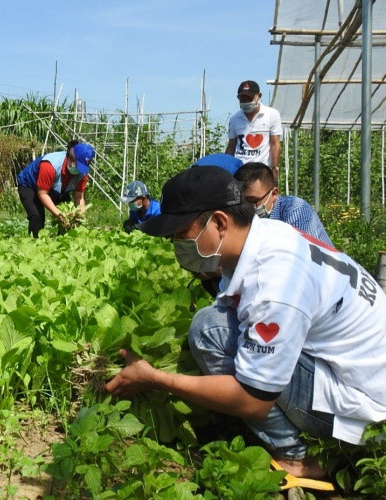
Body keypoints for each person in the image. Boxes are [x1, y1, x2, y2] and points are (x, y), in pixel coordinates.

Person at [105, 166, 386, 479]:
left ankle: (298, 458)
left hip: (366, 412)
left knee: (210, 332)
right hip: (362, 374)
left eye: (181, 236)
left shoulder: (273, 284)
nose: (177, 247)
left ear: (220, 222)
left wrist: (155, 377)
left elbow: (253, 402)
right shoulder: (270, 234)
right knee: (215, 322)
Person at [234, 162, 333, 247]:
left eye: (253, 201)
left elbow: (300, 252)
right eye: (242, 202)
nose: (248, 207)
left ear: (274, 194)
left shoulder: (295, 209)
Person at [16, 140, 95, 237]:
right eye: (78, 166)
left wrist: (80, 215)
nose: (79, 170)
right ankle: (34, 243)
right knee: (37, 217)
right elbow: (42, 193)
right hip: (29, 185)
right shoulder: (49, 166)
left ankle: (62, 243)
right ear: (70, 159)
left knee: (70, 216)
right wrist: (59, 215)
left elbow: (79, 196)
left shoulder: (83, 173)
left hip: (55, 189)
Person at [225, 80, 283, 176]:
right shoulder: (234, 119)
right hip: (240, 170)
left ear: (259, 96)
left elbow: (275, 143)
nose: (246, 102)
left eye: (249, 99)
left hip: (263, 170)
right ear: (238, 98)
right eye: (243, 100)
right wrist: (226, 169)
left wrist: (274, 168)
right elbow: (231, 146)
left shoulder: (271, 115)